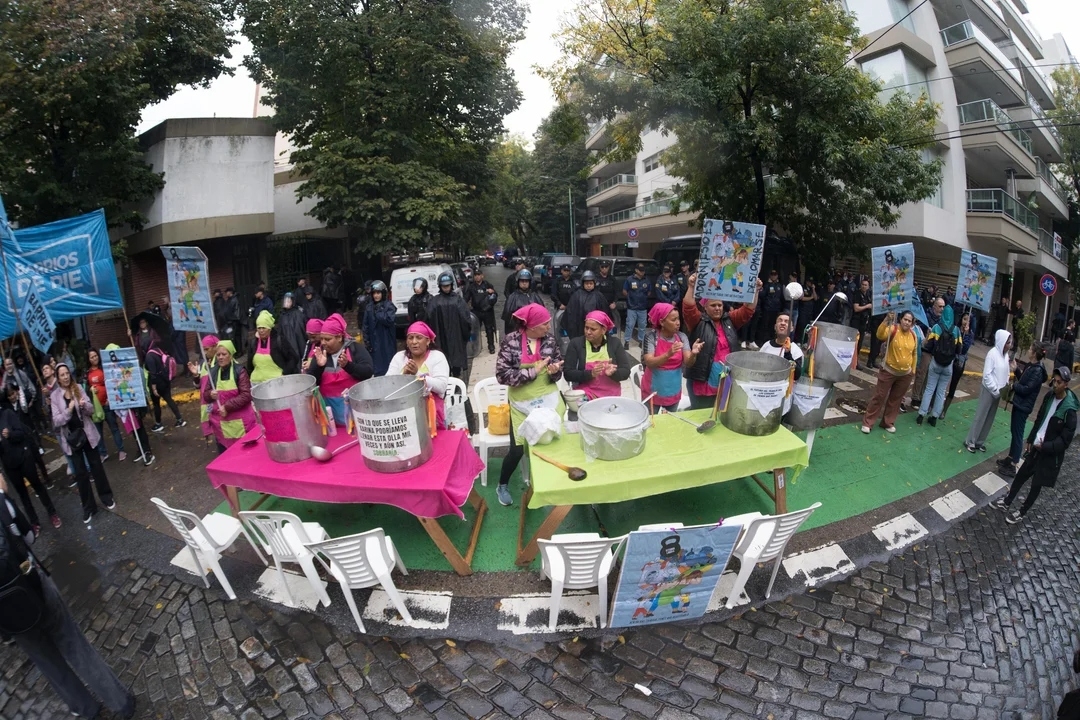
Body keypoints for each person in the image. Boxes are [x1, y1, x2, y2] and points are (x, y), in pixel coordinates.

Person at [0, 478, 136, 719]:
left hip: (7, 613)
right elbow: (29, 537)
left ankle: (85, 708)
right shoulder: (1, 502)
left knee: (47, 662)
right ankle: (120, 701)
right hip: (33, 585)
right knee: (74, 644)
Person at [494, 303, 564, 507]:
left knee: (551, 442)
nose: (549, 327)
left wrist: (554, 372)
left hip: (548, 399)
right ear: (532, 326)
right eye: (545, 324)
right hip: (521, 403)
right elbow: (502, 375)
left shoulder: (550, 340)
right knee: (517, 449)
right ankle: (502, 485)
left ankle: (548, 484)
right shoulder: (511, 341)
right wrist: (533, 372)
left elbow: (558, 366)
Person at [993, 366, 1077, 524]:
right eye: (1054, 381)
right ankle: (1007, 501)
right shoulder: (1049, 396)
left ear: (1066, 384)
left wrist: (1046, 446)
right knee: (1021, 475)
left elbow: (1065, 441)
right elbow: (1039, 418)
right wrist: (1031, 439)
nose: (1055, 385)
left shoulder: (1069, 411)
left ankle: (1022, 512)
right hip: (1037, 447)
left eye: (1059, 382)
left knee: (1036, 485)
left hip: (1049, 454)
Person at [682, 272, 759, 409]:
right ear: (705, 307)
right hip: (702, 383)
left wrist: (756, 290)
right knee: (701, 415)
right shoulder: (697, 321)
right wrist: (691, 287)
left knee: (722, 413)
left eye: (720, 305)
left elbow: (748, 310)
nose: (717, 308)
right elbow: (688, 308)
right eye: (713, 305)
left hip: (726, 382)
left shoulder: (730, 320)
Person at [52, 363, 117, 523]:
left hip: (86, 434)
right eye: (62, 375)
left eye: (67, 373)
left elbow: (91, 409)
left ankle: (106, 497)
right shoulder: (55, 397)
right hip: (72, 439)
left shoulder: (79, 388)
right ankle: (89, 507)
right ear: (58, 378)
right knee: (80, 473)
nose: (66, 377)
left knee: (96, 466)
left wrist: (83, 405)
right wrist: (69, 410)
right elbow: (57, 421)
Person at [1, 385, 61, 530]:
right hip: (9, 465)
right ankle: (34, 522)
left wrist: (10, 435)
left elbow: (21, 433)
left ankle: (52, 513)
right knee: (23, 494)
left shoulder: (7, 414)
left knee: (38, 486)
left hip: (23, 458)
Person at [306, 313, 374, 425]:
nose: (323, 343)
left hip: (357, 417)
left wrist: (348, 366)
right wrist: (319, 366)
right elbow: (311, 383)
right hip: (331, 418)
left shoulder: (355, 349)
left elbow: (368, 372)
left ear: (339, 337)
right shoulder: (319, 354)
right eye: (321, 338)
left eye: (327, 339)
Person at [861, 310, 921, 434]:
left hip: (905, 374)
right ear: (900, 319)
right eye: (905, 319)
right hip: (888, 371)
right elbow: (880, 335)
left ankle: (888, 422)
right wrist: (886, 320)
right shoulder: (893, 329)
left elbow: (914, 353)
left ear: (912, 323)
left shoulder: (913, 335)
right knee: (879, 397)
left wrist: (913, 370)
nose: (907, 322)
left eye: (909, 321)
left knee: (896, 400)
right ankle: (868, 422)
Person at [386, 322, 451, 428]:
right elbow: (386, 386)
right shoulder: (399, 357)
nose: (414, 342)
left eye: (419, 338)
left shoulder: (437, 357)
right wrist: (404, 376)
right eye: (410, 338)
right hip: (403, 415)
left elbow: (441, 387)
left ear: (428, 341)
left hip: (432, 415)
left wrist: (418, 375)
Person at [996, 344, 1048, 478]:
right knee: (1014, 431)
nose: (1028, 350)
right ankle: (1010, 458)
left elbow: (1026, 389)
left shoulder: (1037, 371)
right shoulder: (1031, 366)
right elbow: (1024, 381)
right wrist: (1017, 371)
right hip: (1019, 403)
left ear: (1035, 353)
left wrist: (1014, 386)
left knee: (1018, 434)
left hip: (1023, 406)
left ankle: (1013, 465)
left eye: (1030, 349)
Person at [641, 303, 700, 413]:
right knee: (650, 420)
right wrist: (668, 354)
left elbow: (688, 362)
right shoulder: (651, 337)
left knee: (670, 420)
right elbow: (649, 362)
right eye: (673, 320)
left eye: (678, 319)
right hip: (652, 391)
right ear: (662, 322)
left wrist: (693, 353)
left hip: (673, 390)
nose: (678, 323)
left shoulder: (682, 337)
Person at [563, 311, 634, 401]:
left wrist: (613, 373)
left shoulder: (614, 343)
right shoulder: (576, 344)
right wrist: (590, 374)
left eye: (593, 329)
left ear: (603, 330)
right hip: (586, 394)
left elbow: (626, 371)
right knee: (580, 406)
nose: (588, 332)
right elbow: (568, 373)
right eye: (586, 328)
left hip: (611, 395)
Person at [965, 329, 1014, 453]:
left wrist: (1004, 386)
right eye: (1008, 342)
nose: (1009, 345)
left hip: (999, 392)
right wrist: (994, 388)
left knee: (989, 418)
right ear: (1002, 342)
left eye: (1010, 342)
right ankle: (970, 441)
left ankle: (979, 442)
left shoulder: (1005, 355)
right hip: (989, 390)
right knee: (981, 416)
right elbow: (987, 375)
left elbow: (1007, 372)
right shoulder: (992, 354)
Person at [203, 341, 257, 452]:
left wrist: (227, 407)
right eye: (218, 355)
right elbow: (205, 395)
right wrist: (210, 394)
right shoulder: (213, 372)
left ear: (231, 355)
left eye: (224, 354)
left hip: (242, 424)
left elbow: (246, 395)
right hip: (221, 426)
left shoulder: (240, 371)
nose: (220, 357)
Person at [915, 305, 961, 427]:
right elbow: (959, 349)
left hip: (935, 362)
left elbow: (928, 346)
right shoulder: (956, 330)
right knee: (941, 392)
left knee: (929, 389)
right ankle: (934, 417)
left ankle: (921, 415)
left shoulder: (936, 327)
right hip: (948, 366)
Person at [425, 274, 471, 378]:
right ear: (440, 286)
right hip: (441, 337)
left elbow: (465, 319)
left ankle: (456, 380)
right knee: (443, 362)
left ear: (451, 285)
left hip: (455, 336)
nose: (446, 288)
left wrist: (465, 334)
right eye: (444, 286)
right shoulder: (435, 301)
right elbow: (428, 318)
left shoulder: (457, 300)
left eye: (448, 285)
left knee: (456, 363)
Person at [86, 349, 126, 462]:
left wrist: (110, 398)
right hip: (95, 407)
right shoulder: (87, 373)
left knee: (114, 428)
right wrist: (90, 390)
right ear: (88, 359)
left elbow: (113, 383)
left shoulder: (105, 368)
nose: (94, 358)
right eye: (91, 357)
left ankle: (121, 450)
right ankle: (103, 453)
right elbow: (85, 388)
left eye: (95, 356)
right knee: (98, 432)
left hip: (107, 404)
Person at [145, 340, 185, 433]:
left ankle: (158, 424)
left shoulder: (149, 356)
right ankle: (180, 419)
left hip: (157, 383)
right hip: (165, 380)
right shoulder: (159, 351)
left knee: (156, 404)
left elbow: (153, 373)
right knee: (169, 399)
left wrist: (154, 388)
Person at [187, 335, 221, 446]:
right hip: (207, 404)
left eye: (207, 349)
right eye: (203, 349)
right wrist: (196, 376)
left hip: (219, 403)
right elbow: (198, 385)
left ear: (215, 347)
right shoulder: (202, 363)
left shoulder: (222, 362)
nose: (205, 352)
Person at [941, 312, 975, 419]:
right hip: (950, 358)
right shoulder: (955, 329)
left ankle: (944, 410)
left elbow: (964, 349)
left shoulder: (970, 334)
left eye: (968, 320)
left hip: (959, 362)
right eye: (965, 319)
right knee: (942, 383)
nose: (966, 322)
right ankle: (934, 405)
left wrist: (966, 334)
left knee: (953, 385)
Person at [362, 281, 398, 376]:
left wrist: (379, 311)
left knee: (390, 366)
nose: (376, 296)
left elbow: (389, 320)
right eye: (374, 293)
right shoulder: (369, 307)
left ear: (383, 293)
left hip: (387, 342)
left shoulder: (388, 305)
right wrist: (367, 341)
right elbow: (365, 325)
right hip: (374, 342)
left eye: (378, 293)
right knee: (377, 367)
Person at [561, 271, 608, 341]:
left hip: (595, 327)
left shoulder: (599, 296)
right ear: (583, 284)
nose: (589, 285)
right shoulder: (576, 295)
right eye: (586, 283)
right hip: (579, 328)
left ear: (594, 284)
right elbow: (570, 313)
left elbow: (605, 313)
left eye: (591, 283)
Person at [759, 311, 804, 383]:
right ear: (775, 327)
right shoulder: (766, 345)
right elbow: (758, 366)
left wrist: (788, 354)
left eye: (786, 322)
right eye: (780, 321)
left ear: (792, 328)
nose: (783, 323)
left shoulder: (796, 350)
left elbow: (796, 376)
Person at [247, 311, 291, 384]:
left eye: (264, 328)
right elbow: (249, 366)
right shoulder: (253, 343)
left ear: (270, 328)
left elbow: (293, 359)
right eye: (259, 328)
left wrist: (285, 373)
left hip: (277, 384)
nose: (261, 331)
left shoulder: (279, 341)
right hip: (256, 384)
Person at [502, 269, 545, 338]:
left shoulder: (535, 296)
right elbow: (508, 320)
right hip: (517, 332)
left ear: (529, 283)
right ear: (518, 282)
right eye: (522, 281)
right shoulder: (512, 297)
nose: (524, 283)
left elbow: (542, 316)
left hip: (532, 331)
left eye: (526, 281)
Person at [464, 269, 498, 354]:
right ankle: (474, 346)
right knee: (474, 329)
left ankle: (491, 346)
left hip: (487, 311)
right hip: (476, 311)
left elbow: (495, 296)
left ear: (482, 276)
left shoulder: (487, 285)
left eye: (479, 275)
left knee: (489, 329)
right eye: (475, 275)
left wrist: (492, 293)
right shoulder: (471, 287)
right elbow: (466, 298)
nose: (477, 277)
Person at [276, 292, 308, 374]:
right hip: (287, 344)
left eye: (289, 301)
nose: (286, 303)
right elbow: (280, 331)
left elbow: (304, 329)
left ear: (293, 302)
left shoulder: (299, 314)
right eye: (285, 301)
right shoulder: (282, 316)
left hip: (299, 343)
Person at [622, 263, 652, 349]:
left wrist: (643, 298)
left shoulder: (646, 280)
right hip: (632, 307)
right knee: (630, 325)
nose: (642, 272)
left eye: (643, 270)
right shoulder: (629, 279)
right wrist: (630, 298)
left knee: (642, 325)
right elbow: (624, 291)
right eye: (640, 270)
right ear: (636, 270)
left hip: (642, 307)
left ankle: (641, 341)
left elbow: (649, 292)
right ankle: (627, 341)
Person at [757, 269, 785, 348]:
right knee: (764, 326)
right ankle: (762, 342)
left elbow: (782, 297)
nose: (774, 276)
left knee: (773, 327)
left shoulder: (779, 285)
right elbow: (762, 295)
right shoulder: (767, 285)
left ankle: (771, 341)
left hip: (776, 310)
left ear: (777, 276)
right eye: (772, 274)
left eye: (775, 275)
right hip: (767, 309)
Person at [851, 278, 872, 357]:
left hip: (864, 321)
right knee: (854, 341)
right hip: (856, 320)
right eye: (862, 284)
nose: (864, 286)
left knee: (860, 342)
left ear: (868, 286)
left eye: (865, 285)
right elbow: (856, 308)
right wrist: (867, 306)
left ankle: (856, 359)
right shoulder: (857, 294)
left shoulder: (868, 295)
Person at [595, 261, 619, 330]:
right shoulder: (595, 278)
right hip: (598, 306)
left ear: (608, 268)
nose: (604, 268)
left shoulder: (612, 279)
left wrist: (614, 302)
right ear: (600, 268)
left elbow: (616, 292)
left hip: (610, 306)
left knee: (610, 324)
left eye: (606, 267)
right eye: (602, 267)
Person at [222, 287, 245, 356]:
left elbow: (236, 312)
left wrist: (232, 320)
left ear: (230, 292)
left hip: (234, 322)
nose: (226, 293)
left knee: (235, 337)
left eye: (227, 292)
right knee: (233, 337)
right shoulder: (230, 300)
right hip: (231, 321)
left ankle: (238, 352)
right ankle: (237, 351)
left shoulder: (234, 300)